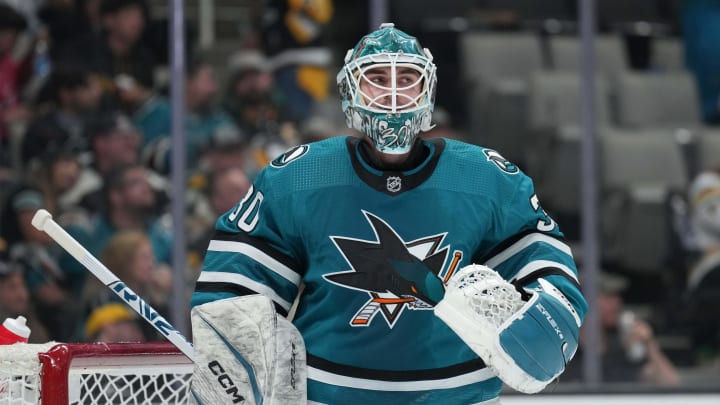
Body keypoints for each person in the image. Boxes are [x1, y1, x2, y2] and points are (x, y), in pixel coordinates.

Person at [190, 23, 587, 403]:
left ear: (427, 89)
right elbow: (232, 289)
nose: (393, 94)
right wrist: (233, 365)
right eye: (377, 79)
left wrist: (551, 310)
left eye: (406, 80)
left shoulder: (487, 178)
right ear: (350, 90)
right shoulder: (297, 177)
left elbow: (544, 263)